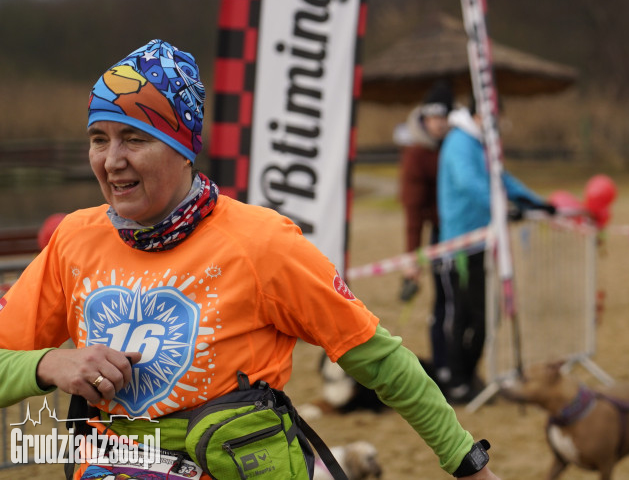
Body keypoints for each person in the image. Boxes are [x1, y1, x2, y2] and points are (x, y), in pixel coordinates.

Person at [0, 40, 500, 480]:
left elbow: (378, 358)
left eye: (135, 138)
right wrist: (49, 362)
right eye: (98, 139)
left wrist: (466, 463)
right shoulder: (74, 240)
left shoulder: (261, 243)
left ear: (182, 148)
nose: (112, 160)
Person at [436, 96, 553, 404]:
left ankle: (469, 374)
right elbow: (470, 183)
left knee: (486, 315)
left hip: (482, 243)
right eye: (494, 118)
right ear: (478, 115)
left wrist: (533, 200)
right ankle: (458, 381)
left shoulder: (479, 144)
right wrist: (502, 207)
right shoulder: (460, 142)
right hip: (461, 246)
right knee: (466, 315)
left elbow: (499, 177)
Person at [395, 81, 455, 386]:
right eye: (432, 117)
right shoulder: (416, 155)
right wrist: (412, 259)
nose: (438, 124)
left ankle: (457, 366)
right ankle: (444, 366)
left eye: (443, 116)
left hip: (463, 231)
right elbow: (413, 213)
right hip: (438, 236)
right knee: (444, 302)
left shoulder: (457, 145)